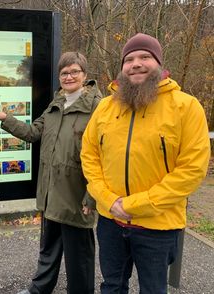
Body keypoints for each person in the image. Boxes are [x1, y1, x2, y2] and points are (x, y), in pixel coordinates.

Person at [81, 33, 210, 294]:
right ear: (122, 68)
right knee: (112, 286)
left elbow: (192, 169)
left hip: (158, 226)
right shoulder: (105, 107)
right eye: (129, 59)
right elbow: (89, 156)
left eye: (145, 57)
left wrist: (134, 205)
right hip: (110, 222)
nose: (136, 63)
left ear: (159, 64)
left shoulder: (186, 106)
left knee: (153, 289)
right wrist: (109, 200)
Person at [0, 52, 102, 294]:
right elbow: (32, 133)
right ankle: (39, 289)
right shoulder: (55, 104)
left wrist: (92, 196)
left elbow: (105, 156)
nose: (69, 76)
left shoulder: (98, 108)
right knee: (48, 249)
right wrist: (6, 118)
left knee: (79, 257)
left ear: (85, 75)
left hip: (75, 197)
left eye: (74, 71)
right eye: (64, 73)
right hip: (50, 195)